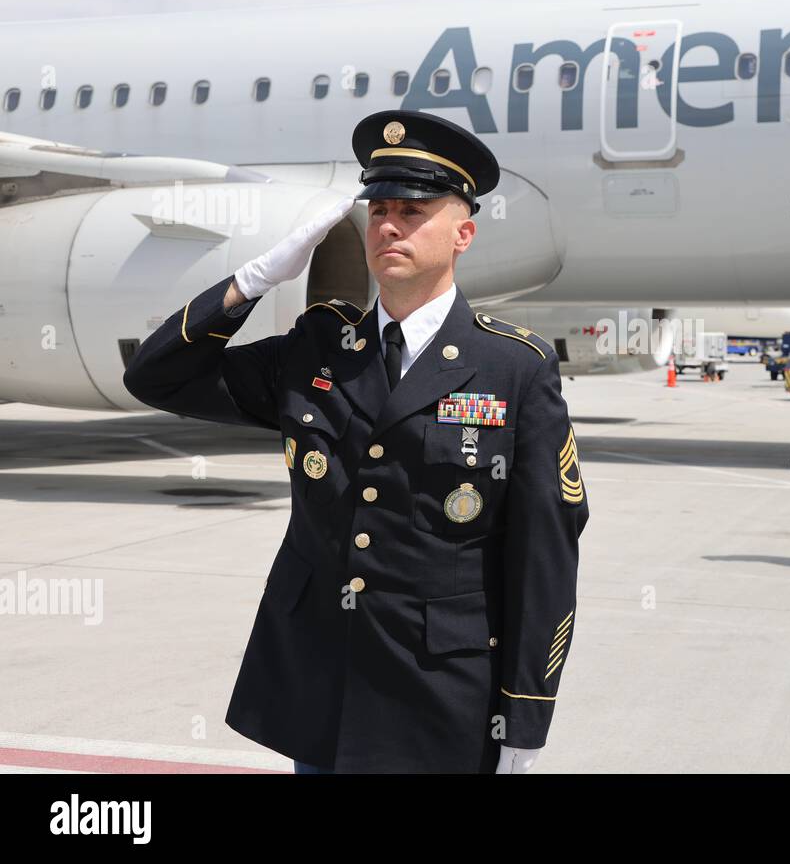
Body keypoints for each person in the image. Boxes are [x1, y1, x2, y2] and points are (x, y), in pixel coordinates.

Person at [123, 110, 589, 773]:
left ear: (463, 233)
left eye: (414, 209)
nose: (390, 224)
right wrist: (254, 280)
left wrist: (524, 717)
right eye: (379, 209)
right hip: (323, 692)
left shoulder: (514, 367)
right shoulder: (318, 351)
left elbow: (546, 554)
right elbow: (155, 377)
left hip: (442, 703)